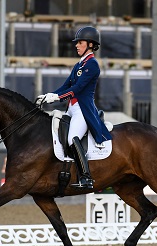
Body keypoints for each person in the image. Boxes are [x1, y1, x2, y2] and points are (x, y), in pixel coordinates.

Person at [36, 26, 112, 189]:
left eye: (80, 43)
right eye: (76, 43)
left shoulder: (92, 65)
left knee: (72, 138)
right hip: (70, 108)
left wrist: (56, 97)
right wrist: (48, 96)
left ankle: (86, 177)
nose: (76, 46)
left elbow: (77, 89)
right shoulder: (78, 65)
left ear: (91, 45)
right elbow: (66, 86)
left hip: (83, 110)